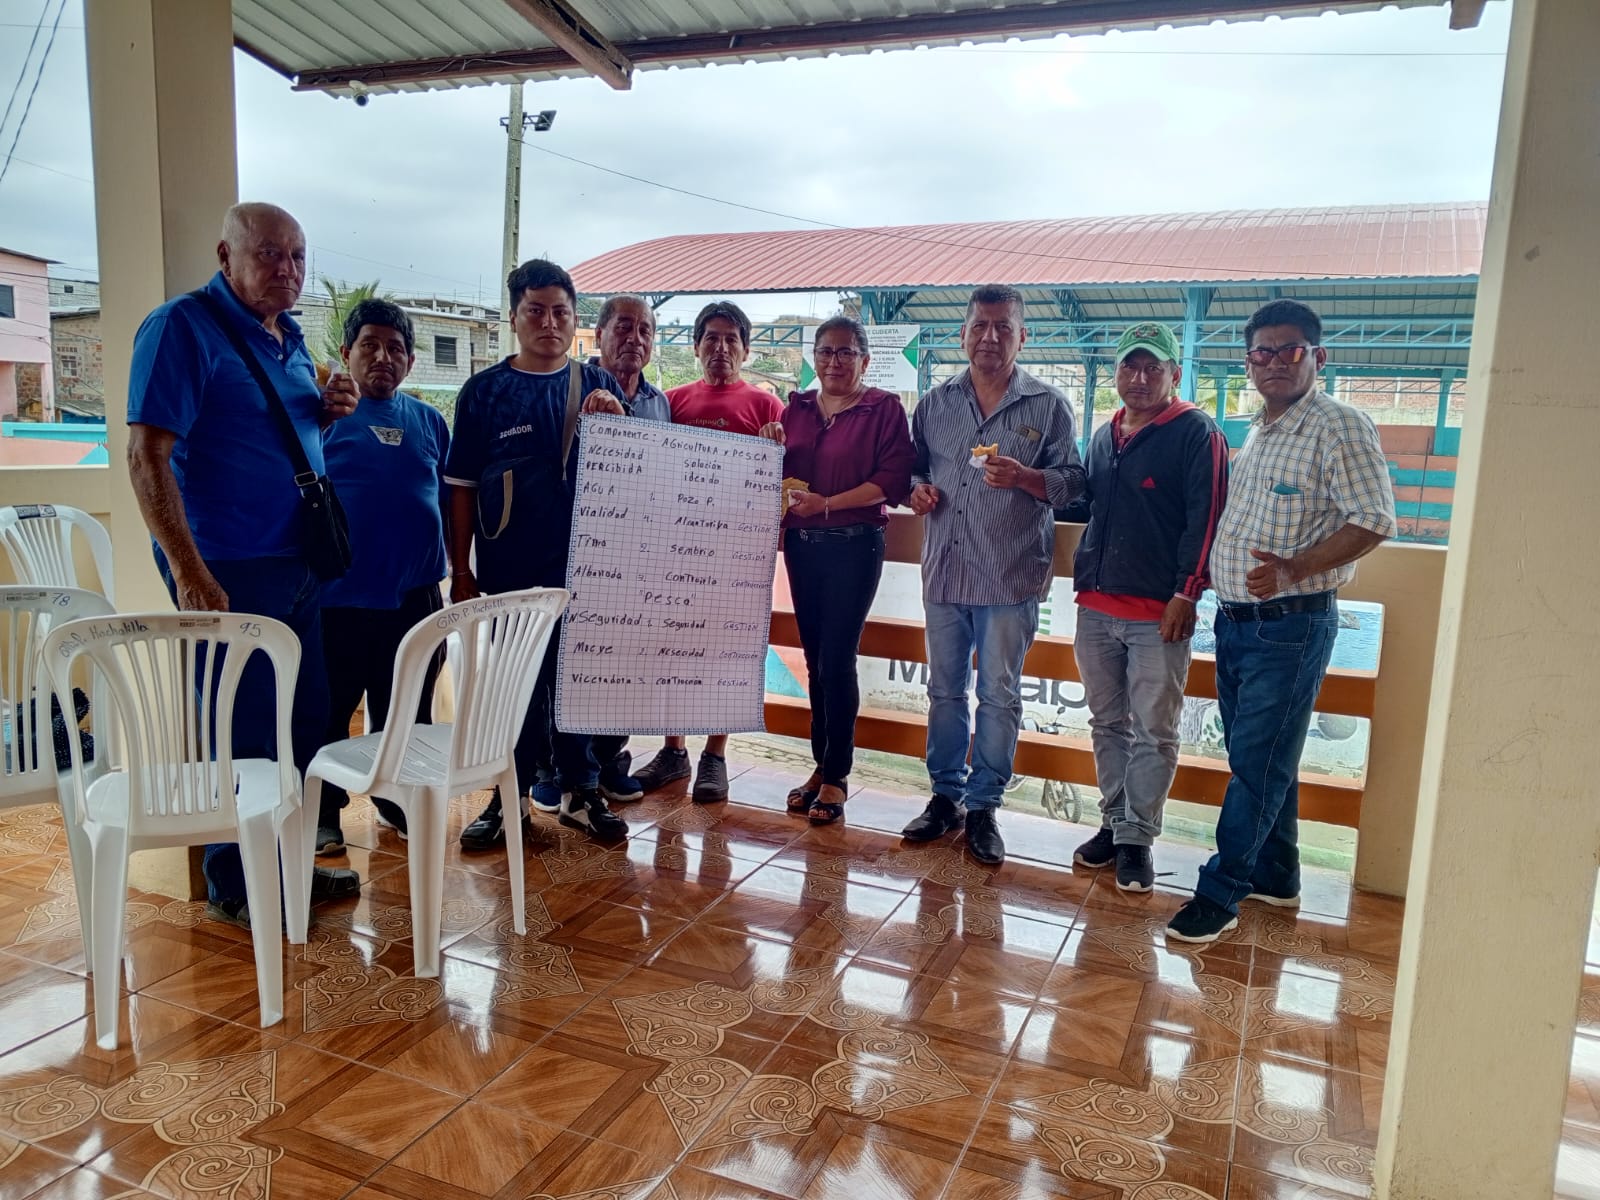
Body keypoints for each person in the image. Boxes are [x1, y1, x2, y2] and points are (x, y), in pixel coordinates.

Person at [126, 201, 361, 928]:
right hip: (228, 567)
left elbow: (268, 432)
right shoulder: (181, 327)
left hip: (299, 564)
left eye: (298, 256)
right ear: (225, 256)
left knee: (305, 718)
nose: (287, 269)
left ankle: (288, 862)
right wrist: (188, 571)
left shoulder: (287, 335)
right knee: (242, 728)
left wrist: (326, 410)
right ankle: (237, 880)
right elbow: (147, 455)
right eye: (269, 254)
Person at [1167, 299, 1395, 944]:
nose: (1274, 362)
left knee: (1256, 766)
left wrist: (1295, 568)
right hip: (1237, 622)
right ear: (1249, 362)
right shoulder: (1262, 428)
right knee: (1265, 759)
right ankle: (1277, 874)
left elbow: (1374, 519)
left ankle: (1220, 892)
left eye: (1289, 350)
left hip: (1289, 625)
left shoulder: (1339, 426)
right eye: (1261, 352)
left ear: (1317, 357)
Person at [445, 258, 631, 848]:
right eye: (536, 311)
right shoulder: (484, 393)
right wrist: (461, 569)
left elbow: (633, 480)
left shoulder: (599, 388)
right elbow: (460, 488)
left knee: (577, 685)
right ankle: (509, 799)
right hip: (508, 571)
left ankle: (583, 792)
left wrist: (619, 425)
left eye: (560, 312)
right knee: (513, 686)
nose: (549, 323)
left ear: (575, 320)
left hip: (584, 571)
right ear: (514, 317)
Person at [900, 285, 1086, 866]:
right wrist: (916, 492)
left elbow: (1074, 483)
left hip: (1009, 577)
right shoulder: (935, 404)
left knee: (999, 695)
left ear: (1021, 337)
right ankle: (944, 796)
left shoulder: (1048, 406)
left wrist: (1027, 478)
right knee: (944, 691)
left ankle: (984, 806)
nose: (989, 336)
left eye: (1003, 327)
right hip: (946, 572)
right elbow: (910, 470)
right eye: (980, 325)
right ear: (963, 334)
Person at [1068, 322, 1229, 892]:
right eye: (1129, 367)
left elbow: (1207, 518)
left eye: (1152, 367)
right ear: (1116, 372)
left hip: (1159, 612)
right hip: (1095, 606)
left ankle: (1138, 838)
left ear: (1174, 374)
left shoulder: (1196, 432)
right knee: (1107, 723)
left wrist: (1187, 592)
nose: (1139, 378)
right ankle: (1115, 824)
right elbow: (1087, 504)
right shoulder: (1104, 434)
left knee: (1154, 730)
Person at [757, 316, 915, 825]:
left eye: (846, 352)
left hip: (854, 547)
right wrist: (768, 443)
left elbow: (890, 481)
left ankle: (837, 776)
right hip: (803, 547)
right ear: (814, 358)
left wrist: (828, 504)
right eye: (826, 351)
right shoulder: (797, 408)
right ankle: (820, 765)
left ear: (865, 360)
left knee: (837, 660)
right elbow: (777, 471)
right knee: (813, 659)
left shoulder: (883, 408)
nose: (834, 361)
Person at [630, 301, 784, 803]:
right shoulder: (670, 402)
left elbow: (787, 478)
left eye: (731, 339)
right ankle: (673, 750)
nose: (721, 348)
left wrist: (775, 447)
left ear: (746, 349)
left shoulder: (767, 407)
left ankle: (715, 756)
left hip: (738, 556)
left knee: (729, 655)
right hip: (674, 550)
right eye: (711, 338)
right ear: (696, 347)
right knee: (670, 648)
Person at [314, 298, 450, 852]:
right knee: (328, 711)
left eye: (395, 349)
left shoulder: (429, 421)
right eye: (369, 345)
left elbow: (447, 498)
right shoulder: (322, 420)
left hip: (416, 601)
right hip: (339, 601)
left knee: (406, 710)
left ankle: (396, 799)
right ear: (346, 352)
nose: (382, 358)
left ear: (411, 362)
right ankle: (323, 812)